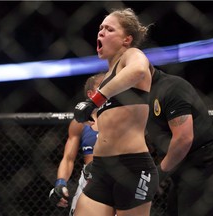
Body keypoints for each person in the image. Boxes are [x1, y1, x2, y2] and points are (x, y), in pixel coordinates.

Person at [73, 8, 159, 216]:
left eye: (109, 29)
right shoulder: (110, 75)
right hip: (101, 167)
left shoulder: (132, 55)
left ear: (126, 39)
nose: (101, 32)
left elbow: (138, 71)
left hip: (132, 166)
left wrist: (95, 101)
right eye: (100, 28)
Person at [146, 66, 213, 216]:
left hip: (202, 162)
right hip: (181, 166)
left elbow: (183, 138)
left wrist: (159, 172)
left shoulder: (171, 87)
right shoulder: (146, 95)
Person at [49, 73, 105, 216]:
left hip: (118, 175)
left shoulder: (124, 117)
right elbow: (68, 158)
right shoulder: (79, 123)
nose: (108, 91)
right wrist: (60, 183)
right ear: (91, 94)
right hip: (89, 179)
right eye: (102, 87)